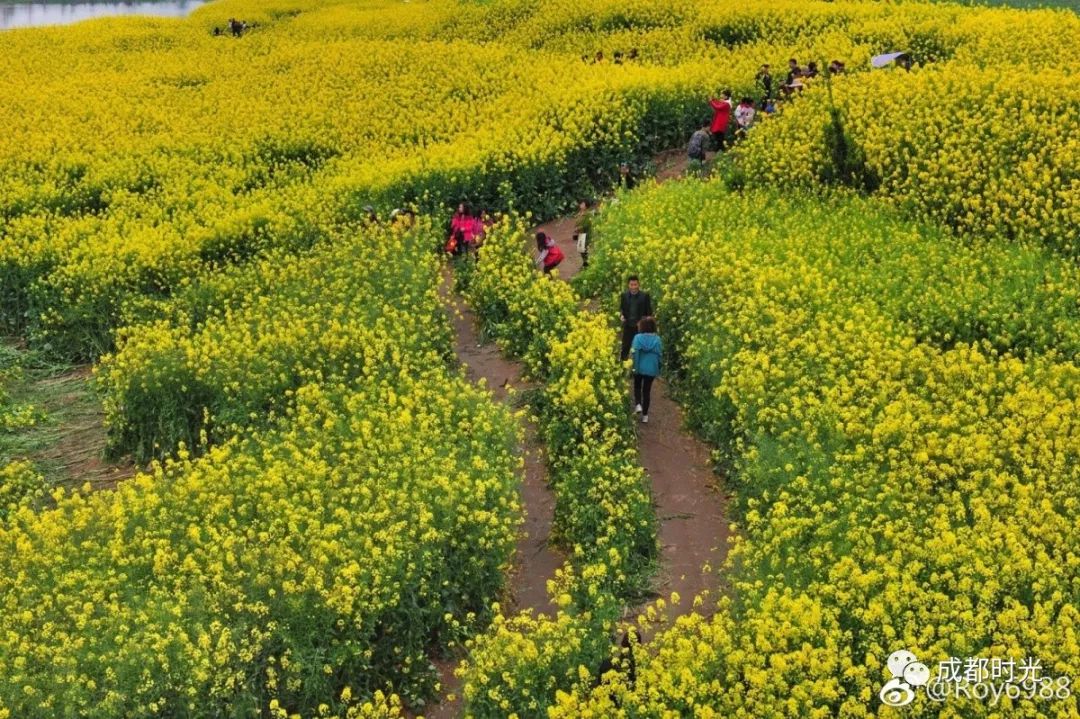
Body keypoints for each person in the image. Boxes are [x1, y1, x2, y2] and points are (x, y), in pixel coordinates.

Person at [630, 316, 661, 424]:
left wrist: (634, 368)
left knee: (637, 386)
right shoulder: (657, 339)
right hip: (651, 369)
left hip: (639, 367)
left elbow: (635, 353)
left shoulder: (637, 338)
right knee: (647, 391)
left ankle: (638, 404)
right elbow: (659, 355)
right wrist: (658, 368)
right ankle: (645, 416)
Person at [619, 276, 652, 361]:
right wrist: (622, 316)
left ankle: (640, 370)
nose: (633, 287)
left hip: (640, 327)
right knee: (625, 347)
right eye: (631, 284)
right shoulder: (624, 295)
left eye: (635, 284)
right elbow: (622, 309)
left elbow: (649, 313)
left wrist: (647, 327)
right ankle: (623, 367)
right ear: (628, 285)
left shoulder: (644, 296)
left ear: (638, 285)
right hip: (628, 326)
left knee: (640, 349)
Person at [574, 200, 595, 269]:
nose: (581, 204)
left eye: (583, 204)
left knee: (585, 249)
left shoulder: (588, 214)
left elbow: (587, 224)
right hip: (580, 233)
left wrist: (579, 228)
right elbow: (576, 222)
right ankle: (585, 262)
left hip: (586, 234)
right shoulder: (579, 214)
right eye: (581, 203)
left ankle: (587, 263)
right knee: (580, 249)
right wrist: (576, 228)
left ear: (586, 206)